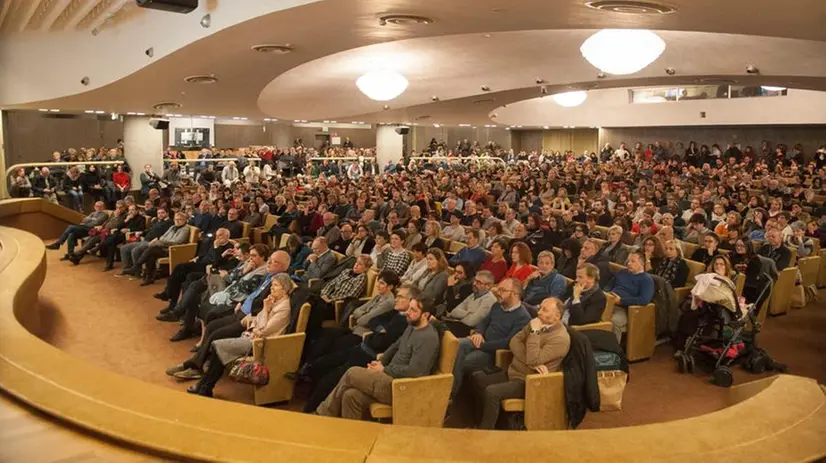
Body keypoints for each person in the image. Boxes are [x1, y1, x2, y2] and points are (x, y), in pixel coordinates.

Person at [315, 294, 440, 420]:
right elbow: (395, 346)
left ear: (425, 315)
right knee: (351, 395)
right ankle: (351, 435)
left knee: (352, 373)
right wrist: (379, 362)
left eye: (413, 310)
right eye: (409, 308)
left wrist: (384, 370)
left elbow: (415, 371)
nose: (407, 312)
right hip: (389, 377)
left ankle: (323, 415)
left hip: (401, 387)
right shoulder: (412, 325)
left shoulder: (428, 338)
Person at [300, 283, 417, 413]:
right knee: (321, 363)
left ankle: (309, 413)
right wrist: (380, 330)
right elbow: (374, 320)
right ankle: (309, 397)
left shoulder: (406, 322)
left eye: (400, 297)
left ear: (411, 301)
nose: (396, 299)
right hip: (361, 347)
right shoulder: (396, 311)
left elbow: (382, 343)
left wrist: (379, 332)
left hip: (369, 356)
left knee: (328, 380)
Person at [180, 273, 296, 397]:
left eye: (276, 285)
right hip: (253, 336)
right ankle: (205, 386)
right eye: (272, 285)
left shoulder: (284, 308)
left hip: (261, 344)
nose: (272, 288)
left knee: (218, 346)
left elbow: (264, 330)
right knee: (218, 346)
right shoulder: (273, 301)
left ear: (285, 289)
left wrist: (265, 312)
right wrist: (260, 320)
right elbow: (257, 322)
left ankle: (205, 385)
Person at [471, 297, 570, 429]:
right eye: (540, 308)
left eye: (544, 310)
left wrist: (534, 333)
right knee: (477, 378)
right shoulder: (536, 322)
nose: (539, 312)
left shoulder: (560, 339)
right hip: (514, 371)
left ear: (557, 316)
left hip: (529, 382)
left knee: (491, 392)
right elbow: (514, 341)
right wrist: (529, 360)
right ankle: (481, 422)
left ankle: (485, 432)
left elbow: (533, 359)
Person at [450, 277, 531, 400]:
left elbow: (508, 343)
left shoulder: (523, 317)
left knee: (460, 361)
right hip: (480, 341)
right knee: (455, 345)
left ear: (514, 294)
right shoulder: (498, 305)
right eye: (499, 289)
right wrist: (478, 333)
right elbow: (484, 321)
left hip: (492, 353)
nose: (498, 292)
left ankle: (450, 398)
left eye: (503, 290)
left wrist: (481, 345)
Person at [152, 228, 234, 311]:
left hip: (207, 267)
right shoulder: (214, 242)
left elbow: (216, 262)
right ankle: (171, 301)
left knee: (183, 271)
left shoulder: (229, 247)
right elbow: (206, 254)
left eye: (220, 235)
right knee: (179, 269)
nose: (217, 237)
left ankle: (169, 296)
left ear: (226, 236)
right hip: (200, 262)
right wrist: (197, 258)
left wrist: (216, 247)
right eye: (216, 235)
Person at [120, 212, 191, 285]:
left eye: (180, 219)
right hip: (163, 247)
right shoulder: (172, 227)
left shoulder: (185, 229)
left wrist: (160, 242)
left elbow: (177, 242)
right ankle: (149, 277)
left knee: (151, 249)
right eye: (176, 219)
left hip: (172, 250)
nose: (177, 221)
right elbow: (163, 236)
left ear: (185, 220)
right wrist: (161, 241)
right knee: (151, 255)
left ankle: (136, 267)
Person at [607, 252, 655, 342]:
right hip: (609, 302)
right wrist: (607, 294)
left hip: (625, 309)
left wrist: (621, 301)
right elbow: (609, 285)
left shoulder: (646, 280)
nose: (629, 263)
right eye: (628, 261)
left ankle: (614, 352)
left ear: (641, 264)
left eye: (633, 261)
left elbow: (644, 300)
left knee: (614, 322)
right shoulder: (622, 272)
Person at [442, 270, 497, 338]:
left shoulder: (490, 300)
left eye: (478, 282)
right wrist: (468, 313)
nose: (474, 283)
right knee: (436, 324)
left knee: (440, 328)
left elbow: (471, 322)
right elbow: (454, 311)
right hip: (458, 324)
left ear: (488, 286)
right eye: (475, 280)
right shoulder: (474, 294)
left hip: (469, 331)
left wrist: (461, 315)